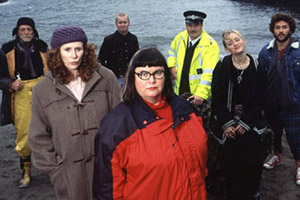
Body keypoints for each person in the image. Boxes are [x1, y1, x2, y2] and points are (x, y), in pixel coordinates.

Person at [93, 47, 208, 199]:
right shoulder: (117, 126)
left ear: (166, 75)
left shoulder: (187, 110)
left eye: (157, 73)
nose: (151, 80)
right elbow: (106, 190)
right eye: (143, 74)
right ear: (132, 77)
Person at [28, 25, 120, 200]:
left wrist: (116, 161)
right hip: (68, 176)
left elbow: (120, 124)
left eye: (78, 48)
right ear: (57, 52)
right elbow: (37, 136)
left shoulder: (107, 78)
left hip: (107, 170)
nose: (74, 55)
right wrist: (56, 170)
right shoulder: (43, 89)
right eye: (67, 49)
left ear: (86, 50)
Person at [210, 30, 267, 200]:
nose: (235, 43)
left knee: (253, 160)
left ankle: (253, 191)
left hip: (251, 119)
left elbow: (261, 98)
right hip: (228, 118)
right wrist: (226, 123)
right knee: (231, 161)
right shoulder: (221, 67)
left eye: (237, 39)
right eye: (230, 43)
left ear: (244, 40)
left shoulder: (258, 66)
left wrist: (246, 123)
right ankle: (234, 193)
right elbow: (217, 98)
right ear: (227, 49)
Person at [0, 17, 48, 188]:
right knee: (24, 132)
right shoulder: (6, 50)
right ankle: (26, 170)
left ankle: (49, 165)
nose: (26, 33)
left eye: (29, 29)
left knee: (49, 128)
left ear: (34, 31)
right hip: (19, 93)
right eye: (23, 30)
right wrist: (9, 83)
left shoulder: (42, 47)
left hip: (43, 89)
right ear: (17, 31)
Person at [259, 13, 300, 185]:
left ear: (290, 28)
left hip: (293, 104)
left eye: (284, 27)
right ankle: (277, 156)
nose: (281, 31)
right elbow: (260, 79)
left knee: (295, 137)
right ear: (273, 30)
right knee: (275, 135)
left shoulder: (298, 50)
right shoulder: (265, 51)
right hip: (271, 104)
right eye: (278, 27)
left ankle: (299, 166)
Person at [168, 10, 220, 106]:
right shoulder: (180, 37)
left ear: (201, 25)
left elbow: (209, 73)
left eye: (196, 25)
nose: (192, 29)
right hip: (180, 91)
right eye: (189, 25)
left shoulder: (210, 45)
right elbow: (172, 51)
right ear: (185, 25)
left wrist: (201, 94)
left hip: (198, 96)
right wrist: (171, 65)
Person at [98, 13, 139, 86]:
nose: (122, 25)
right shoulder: (109, 40)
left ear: (128, 23)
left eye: (125, 22)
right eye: (120, 22)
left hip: (130, 76)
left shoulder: (133, 39)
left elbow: (137, 59)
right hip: (114, 77)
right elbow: (101, 60)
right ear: (116, 24)